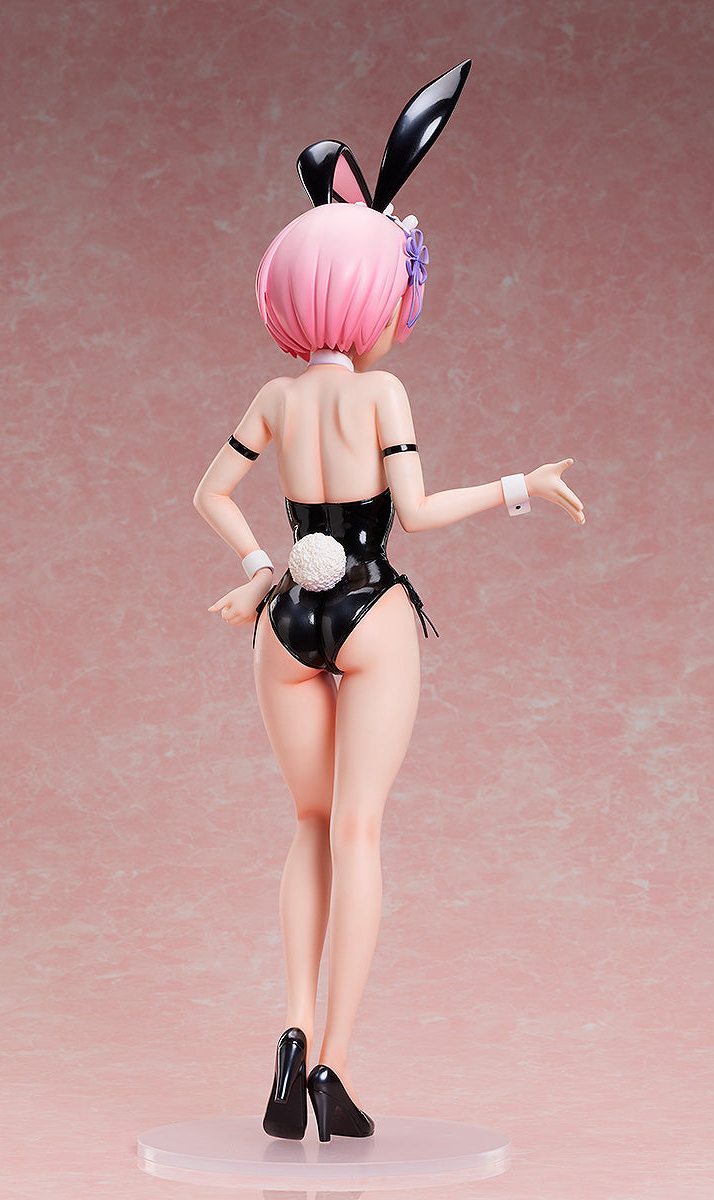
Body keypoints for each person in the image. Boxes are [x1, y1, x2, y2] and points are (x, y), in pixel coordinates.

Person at [193, 63, 584, 1143]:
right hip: (368, 609)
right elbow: (414, 510)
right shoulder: (381, 392)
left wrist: (260, 564)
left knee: (308, 826)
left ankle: (286, 1034)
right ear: (376, 294)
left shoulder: (276, 397)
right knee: (360, 831)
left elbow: (208, 493)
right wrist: (518, 487)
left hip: (284, 622)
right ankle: (331, 1065)